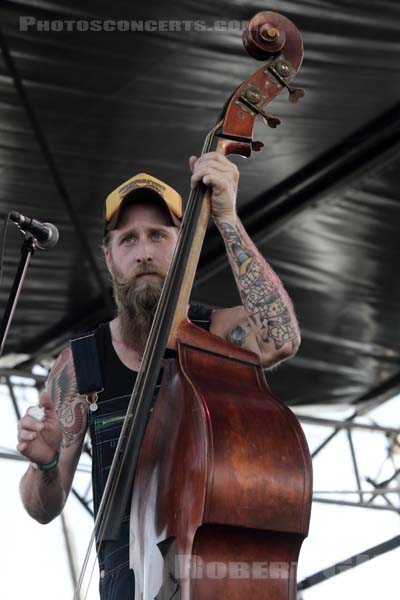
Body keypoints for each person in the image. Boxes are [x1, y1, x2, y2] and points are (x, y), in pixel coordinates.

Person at [17, 152, 301, 599]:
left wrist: (225, 216)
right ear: (109, 258)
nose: (144, 252)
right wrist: (46, 464)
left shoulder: (221, 337)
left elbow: (280, 338)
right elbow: (41, 507)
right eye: (127, 240)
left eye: (158, 235)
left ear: (183, 244)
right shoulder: (80, 365)